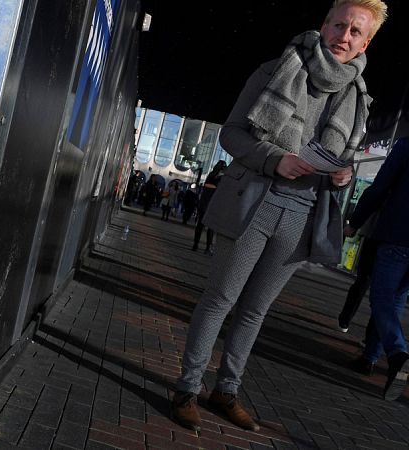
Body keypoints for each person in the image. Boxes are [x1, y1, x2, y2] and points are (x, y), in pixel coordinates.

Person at [171, 0, 387, 432]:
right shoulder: (276, 70)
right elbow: (231, 133)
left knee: (255, 310)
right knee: (221, 299)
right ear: (323, 25)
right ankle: (187, 389)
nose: (345, 36)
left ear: (367, 41)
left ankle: (226, 391)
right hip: (255, 200)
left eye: (356, 32)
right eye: (340, 25)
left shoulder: (358, 97)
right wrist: (274, 159)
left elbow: (340, 157)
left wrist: (342, 176)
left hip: (304, 213)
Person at [344, 137, 409, 400]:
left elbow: (380, 187)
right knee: (395, 299)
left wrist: (356, 221)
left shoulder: (406, 145)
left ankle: (397, 353)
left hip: (397, 234)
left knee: (382, 297)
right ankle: (369, 357)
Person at [192, 160, 226, 253]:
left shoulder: (210, 175)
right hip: (212, 203)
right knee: (211, 226)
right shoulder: (222, 178)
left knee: (200, 225)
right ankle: (208, 247)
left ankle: (195, 245)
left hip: (203, 202)